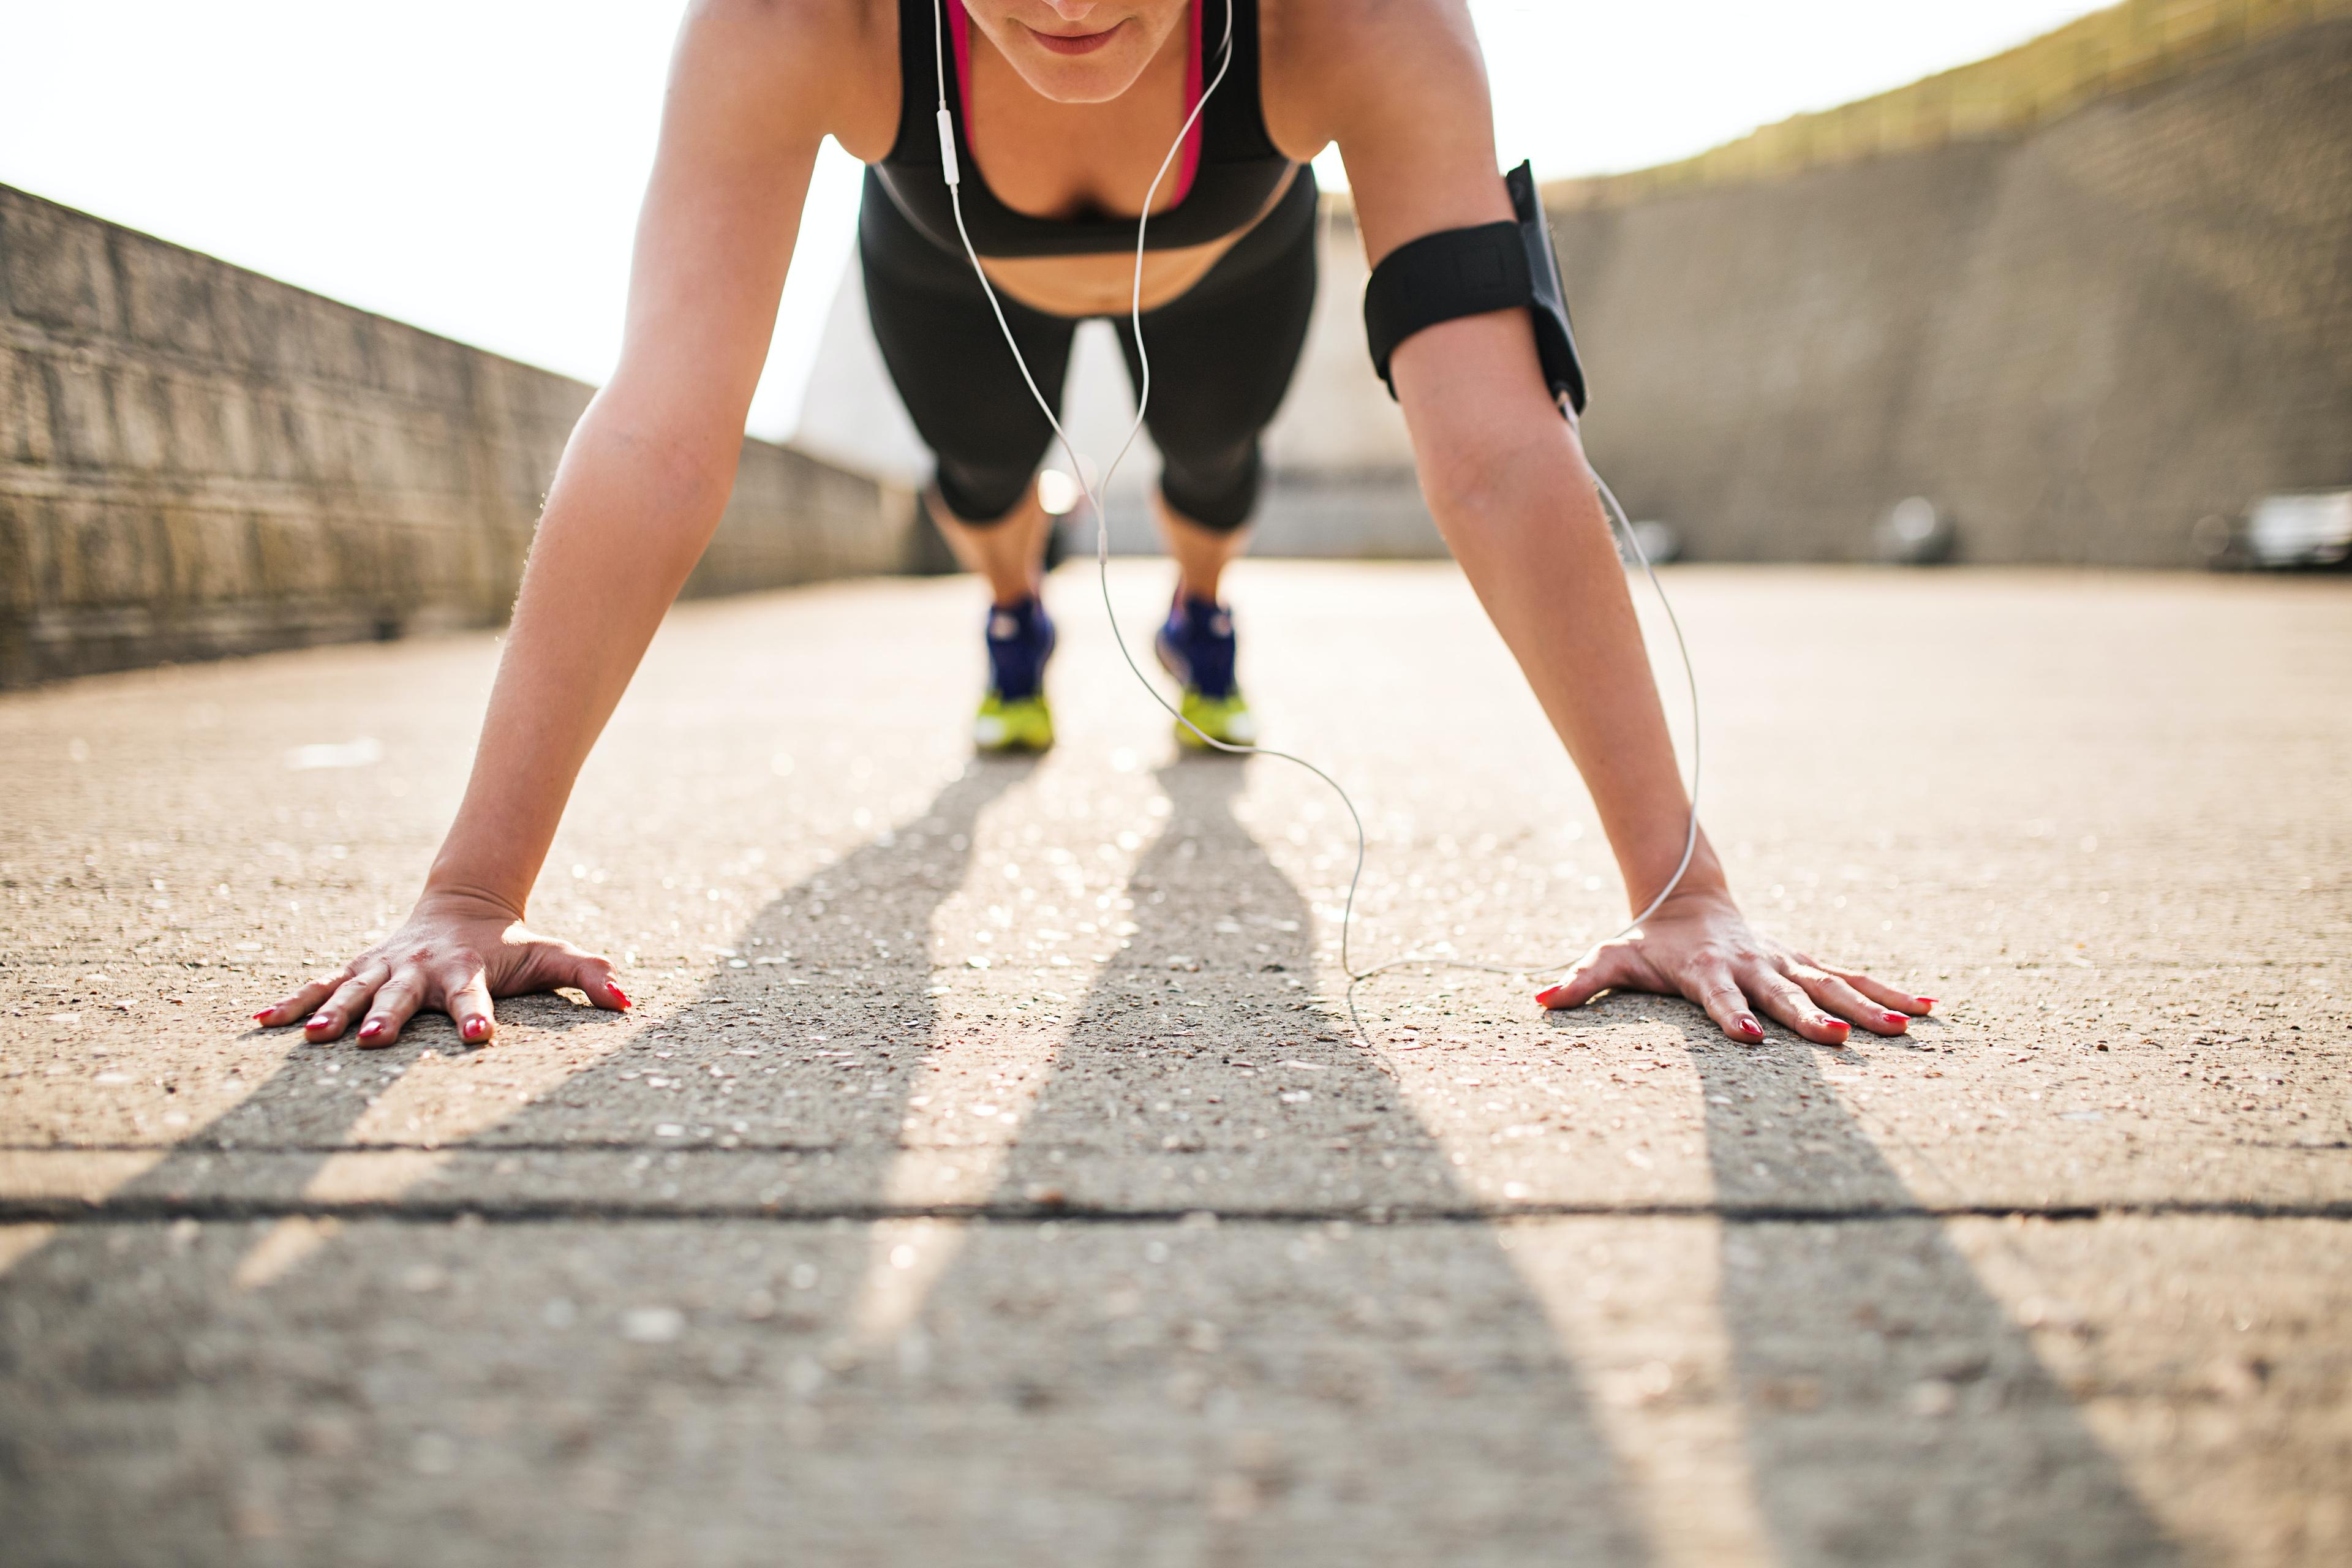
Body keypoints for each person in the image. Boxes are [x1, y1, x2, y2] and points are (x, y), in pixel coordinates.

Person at [254, 0, 1932, 1052]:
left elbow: (1496, 450)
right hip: (946, 257)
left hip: (1231, 260)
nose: (1065, 4)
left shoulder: (1370, 19)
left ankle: (1202, 617)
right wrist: (473, 889)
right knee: (987, 500)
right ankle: (1014, 622)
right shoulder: (795, 20)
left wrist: (1685, 884)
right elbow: (661, 439)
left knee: (1211, 473)